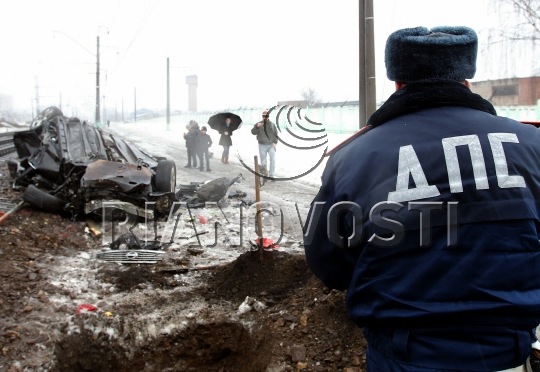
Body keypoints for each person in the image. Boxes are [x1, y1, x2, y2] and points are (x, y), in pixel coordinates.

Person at [304, 26, 540, 371]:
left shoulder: (355, 157)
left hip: (404, 355)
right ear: (466, 81)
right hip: (507, 353)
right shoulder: (530, 145)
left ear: (398, 83)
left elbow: (328, 262)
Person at [251, 109, 278, 179]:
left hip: (271, 145)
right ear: (262, 116)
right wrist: (257, 127)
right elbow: (253, 132)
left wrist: (275, 142)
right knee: (263, 161)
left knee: (273, 159)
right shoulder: (259, 124)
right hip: (262, 145)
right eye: (263, 116)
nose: (265, 117)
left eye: (266, 116)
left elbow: (276, 134)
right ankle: (265, 174)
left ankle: (271, 175)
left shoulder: (272, 125)